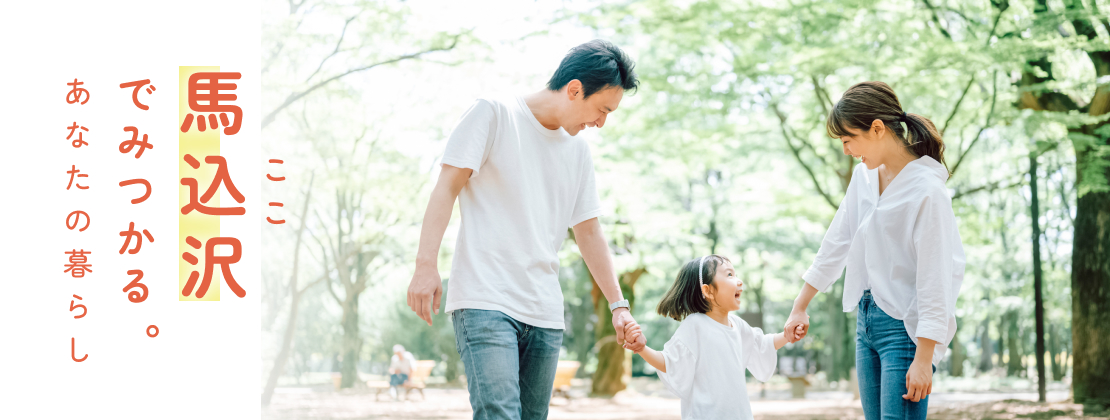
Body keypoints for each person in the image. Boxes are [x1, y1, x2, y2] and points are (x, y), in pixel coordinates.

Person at [406, 39, 645, 419]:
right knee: (499, 413)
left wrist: (619, 306)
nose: (601, 122)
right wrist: (425, 265)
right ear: (574, 89)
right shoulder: (494, 114)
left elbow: (589, 232)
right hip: (485, 299)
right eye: (602, 110)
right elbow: (446, 188)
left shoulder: (578, 152)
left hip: (544, 311)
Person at [783, 81, 966, 420]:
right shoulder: (863, 179)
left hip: (905, 328)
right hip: (865, 320)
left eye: (848, 139)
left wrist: (924, 357)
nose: (846, 150)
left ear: (877, 129)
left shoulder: (927, 191)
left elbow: (936, 277)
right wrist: (800, 306)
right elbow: (837, 242)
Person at [623, 255, 800, 420]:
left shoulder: (737, 325)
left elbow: (762, 343)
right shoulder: (696, 325)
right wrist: (642, 349)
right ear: (707, 291)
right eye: (729, 275)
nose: (739, 281)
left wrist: (786, 336)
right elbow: (669, 361)